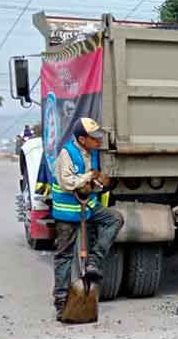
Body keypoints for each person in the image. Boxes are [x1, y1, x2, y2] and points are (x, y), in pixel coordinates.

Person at [51, 118, 124, 322]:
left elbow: (92, 181)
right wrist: (88, 177)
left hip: (87, 207)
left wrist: (100, 183)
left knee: (114, 219)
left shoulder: (91, 153)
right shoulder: (67, 154)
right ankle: (61, 302)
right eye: (94, 138)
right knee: (64, 256)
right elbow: (67, 182)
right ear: (82, 139)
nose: (98, 141)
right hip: (68, 212)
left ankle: (94, 261)